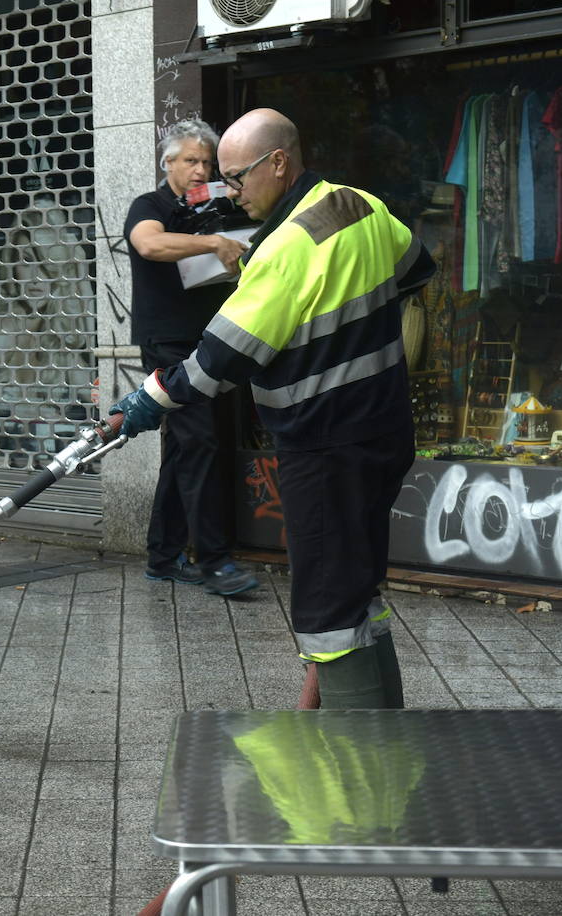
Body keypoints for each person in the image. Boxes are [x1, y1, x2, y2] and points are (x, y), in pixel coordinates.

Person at [109, 109, 436, 710]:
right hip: (384, 433)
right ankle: (384, 734)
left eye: (236, 177)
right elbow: (417, 267)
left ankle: (354, 765)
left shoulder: (282, 251)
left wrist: (140, 405)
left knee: (328, 609)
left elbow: (216, 363)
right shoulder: (358, 203)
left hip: (323, 446)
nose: (230, 191)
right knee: (358, 583)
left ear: (278, 162)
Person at [124, 119, 258, 596]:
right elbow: (148, 243)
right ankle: (216, 563)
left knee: (184, 446)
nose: (201, 170)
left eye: (207, 161)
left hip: (211, 341)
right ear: (168, 164)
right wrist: (212, 243)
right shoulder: (151, 206)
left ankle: (163, 557)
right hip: (168, 346)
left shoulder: (214, 204)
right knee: (199, 441)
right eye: (191, 161)